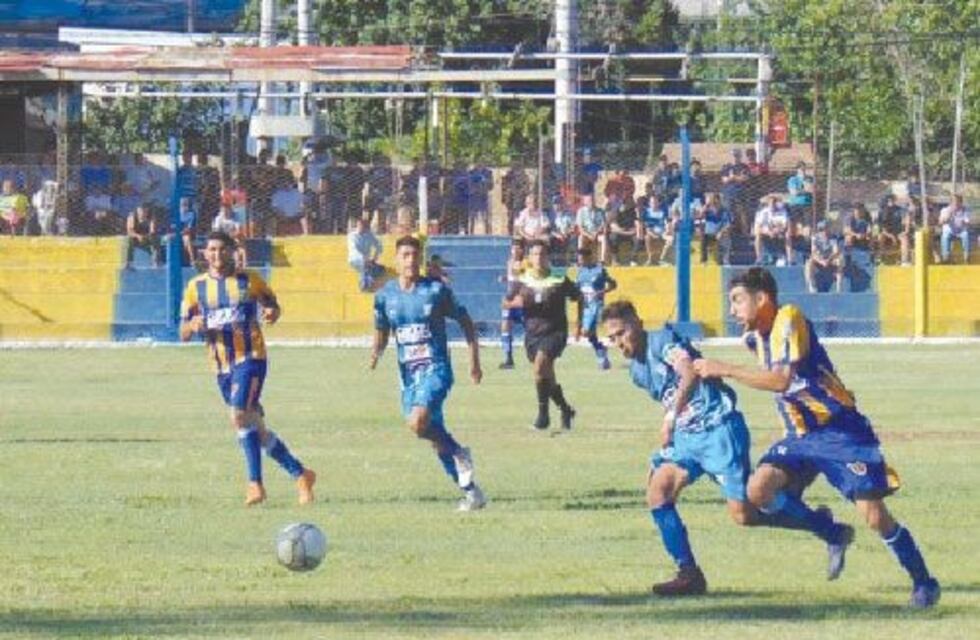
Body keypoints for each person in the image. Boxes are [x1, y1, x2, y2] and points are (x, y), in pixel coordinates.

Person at [692, 267, 941, 609]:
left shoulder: (788, 318)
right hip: (800, 437)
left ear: (762, 298)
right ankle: (830, 531)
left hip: (840, 432)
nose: (731, 309)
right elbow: (781, 380)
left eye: (737, 300)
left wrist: (725, 369)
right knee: (758, 490)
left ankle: (924, 582)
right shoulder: (754, 339)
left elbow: (780, 380)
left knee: (873, 515)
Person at [602, 300, 853, 596]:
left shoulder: (663, 342)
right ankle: (689, 573)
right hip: (688, 438)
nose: (618, 342)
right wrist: (666, 447)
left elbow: (689, 373)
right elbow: (673, 400)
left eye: (622, 333)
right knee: (658, 491)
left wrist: (670, 417)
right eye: (612, 338)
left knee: (743, 515)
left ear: (638, 323)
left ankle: (828, 529)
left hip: (719, 430)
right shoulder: (637, 372)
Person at [180, 231, 316, 506]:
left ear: (232, 251)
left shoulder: (249, 280)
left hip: (251, 357)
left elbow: (272, 306)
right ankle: (301, 474)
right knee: (256, 428)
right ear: (205, 254)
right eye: (211, 250)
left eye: (221, 249)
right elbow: (182, 330)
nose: (216, 255)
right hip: (222, 367)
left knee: (238, 414)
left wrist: (271, 313)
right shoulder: (196, 287)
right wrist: (192, 326)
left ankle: (255, 484)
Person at [369, 235, 486, 511]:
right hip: (409, 378)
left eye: (414, 256)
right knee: (432, 438)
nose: (410, 261)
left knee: (418, 422)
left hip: (437, 370)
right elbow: (382, 329)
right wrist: (376, 352)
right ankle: (471, 492)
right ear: (396, 260)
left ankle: (459, 452)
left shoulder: (435, 291)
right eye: (405, 255)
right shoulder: (385, 296)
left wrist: (474, 362)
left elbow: (467, 323)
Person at [503, 240, 581, 431]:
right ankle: (565, 409)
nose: (539, 258)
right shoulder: (522, 280)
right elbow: (506, 302)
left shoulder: (559, 278)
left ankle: (543, 416)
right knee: (546, 376)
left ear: (548, 257)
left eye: (542, 254)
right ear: (529, 258)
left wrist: (579, 324)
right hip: (533, 333)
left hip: (555, 331)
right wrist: (516, 304)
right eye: (535, 254)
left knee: (540, 365)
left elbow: (578, 297)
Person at [574, 246, 616, 370]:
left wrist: (602, 292)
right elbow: (578, 290)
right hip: (586, 307)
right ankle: (601, 352)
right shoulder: (581, 272)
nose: (580, 261)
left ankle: (603, 353)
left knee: (591, 330)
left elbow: (613, 284)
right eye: (579, 259)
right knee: (587, 333)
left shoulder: (599, 270)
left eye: (582, 259)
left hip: (597, 305)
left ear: (588, 257)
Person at [499, 239, 527, 370]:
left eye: (518, 248)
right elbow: (512, 279)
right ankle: (508, 358)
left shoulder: (526, 263)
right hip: (510, 300)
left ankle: (538, 353)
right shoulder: (509, 262)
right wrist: (505, 279)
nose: (515, 251)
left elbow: (521, 281)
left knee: (530, 327)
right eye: (513, 248)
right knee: (505, 326)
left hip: (521, 300)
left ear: (522, 250)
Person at [348, 216, 384, 292]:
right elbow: (353, 250)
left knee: (381, 269)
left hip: (367, 261)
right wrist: (363, 258)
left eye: (364, 227)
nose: (362, 228)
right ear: (357, 225)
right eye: (360, 226)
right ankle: (364, 284)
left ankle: (367, 281)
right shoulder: (352, 236)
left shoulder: (369, 235)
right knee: (365, 268)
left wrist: (375, 258)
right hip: (355, 260)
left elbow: (379, 246)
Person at [805, 221, 843, 293]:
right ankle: (812, 285)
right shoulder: (815, 238)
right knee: (808, 263)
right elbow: (813, 252)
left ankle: (839, 287)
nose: (823, 231)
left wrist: (828, 260)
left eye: (825, 229)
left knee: (840, 260)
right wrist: (821, 261)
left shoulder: (833, 237)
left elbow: (836, 251)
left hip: (830, 258)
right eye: (821, 229)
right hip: (820, 259)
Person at [939, 194, 971, 263]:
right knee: (945, 236)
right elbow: (940, 222)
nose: (957, 204)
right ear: (951, 203)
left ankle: (967, 256)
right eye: (955, 202)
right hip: (949, 231)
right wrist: (948, 215)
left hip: (961, 231)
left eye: (959, 202)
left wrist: (965, 222)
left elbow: (967, 222)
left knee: (966, 235)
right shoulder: (945, 210)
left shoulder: (965, 210)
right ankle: (946, 256)